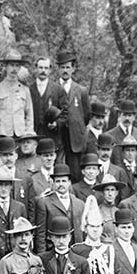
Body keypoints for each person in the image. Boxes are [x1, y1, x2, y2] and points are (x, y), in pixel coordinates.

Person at [54, 51, 91, 179]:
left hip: (75, 138)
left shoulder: (81, 90)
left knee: (75, 172)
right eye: (62, 67)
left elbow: (86, 116)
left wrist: (76, 125)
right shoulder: (52, 88)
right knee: (58, 169)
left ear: (73, 69)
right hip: (57, 135)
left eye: (68, 67)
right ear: (58, 69)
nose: (65, 70)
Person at [33, 164, 84, 254]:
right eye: (58, 181)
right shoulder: (45, 202)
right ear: (53, 183)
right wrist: (42, 256)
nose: (61, 184)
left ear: (69, 182)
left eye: (64, 181)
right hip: (52, 251)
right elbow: (41, 234)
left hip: (75, 252)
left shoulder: (79, 203)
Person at [0, 46, 35, 138]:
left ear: (20, 68)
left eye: (17, 66)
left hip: (20, 133)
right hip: (2, 133)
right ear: (6, 66)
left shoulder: (24, 88)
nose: (14, 69)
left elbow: (29, 113)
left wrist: (29, 131)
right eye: (11, 65)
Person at [0, 167, 27, 262]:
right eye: (0, 185)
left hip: (16, 257)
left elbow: (24, 235)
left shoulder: (20, 207)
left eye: (7, 185)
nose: (3, 189)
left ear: (11, 186)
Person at [105, 99, 137, 163]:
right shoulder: (109, 136)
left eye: (129, 115)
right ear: (119, 115)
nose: (127, 118)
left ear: (134, 117)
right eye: (124, 115)